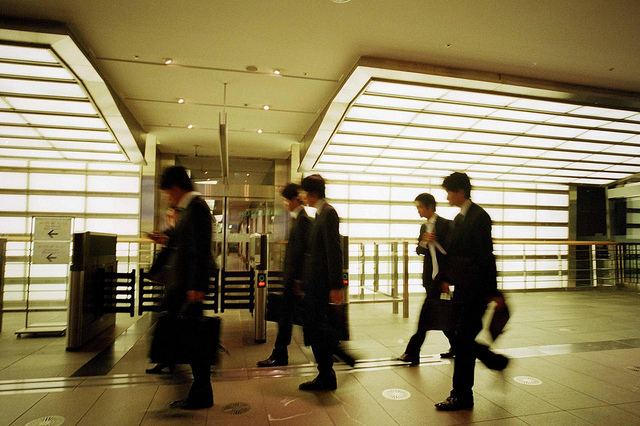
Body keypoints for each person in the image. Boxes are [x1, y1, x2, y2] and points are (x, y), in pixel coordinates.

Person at [435, 172, 507, 412]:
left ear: (461, 192)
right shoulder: (459, 219)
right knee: (461, 339)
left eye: (449, 192)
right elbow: (455, 252)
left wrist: (494, 291)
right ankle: (493, 361)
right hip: (464, 289)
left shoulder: (479, 217)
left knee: (463, 341)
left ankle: (461, 396)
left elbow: (486, 255)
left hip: (476, 290)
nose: (447, 196)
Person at [150, 166, 216, 410]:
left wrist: (197, 285)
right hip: (184, 283)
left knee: (195, 337)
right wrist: (167, 239)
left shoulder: (197, 207)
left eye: (168, 192)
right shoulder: (189, 208)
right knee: (189, 334)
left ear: (176, 187)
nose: (168, 197)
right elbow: (183, 240)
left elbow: (200, 249)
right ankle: (198, 389)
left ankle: (201, 393)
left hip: (190, 285)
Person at [298, 174, 350, 391]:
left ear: (313, 193)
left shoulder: (328, 214)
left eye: (304, 192)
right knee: (315, 328)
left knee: (317, 329)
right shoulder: (319, 214)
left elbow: (333, 251)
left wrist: (336, 286)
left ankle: (327, 373)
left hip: (321, 285)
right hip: (315, 283)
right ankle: (326, 370)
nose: (302, 196)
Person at [257, 183, 310, 367]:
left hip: (294, 281)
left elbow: (303, 252)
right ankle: (280, 354)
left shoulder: (303, 220)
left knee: (289, 319)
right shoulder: (298, 219)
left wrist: (297, 280)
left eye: (287, 200)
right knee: (286, 319)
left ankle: (280, 354)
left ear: (296, 198)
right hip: (293, 279)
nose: (285, 204)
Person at [398, 193, 455, 365]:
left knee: (426, 316)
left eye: (420, 207)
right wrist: (423, 242)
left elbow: (451, 252)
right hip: (430, 279)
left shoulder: (446, 225)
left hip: (441, 279)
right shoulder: (423, 227)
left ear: (430, 207)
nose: (418, 211)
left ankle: (412, 352)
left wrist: (447, 279)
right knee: (443, 316)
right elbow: (420, 250)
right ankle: (457, 346)